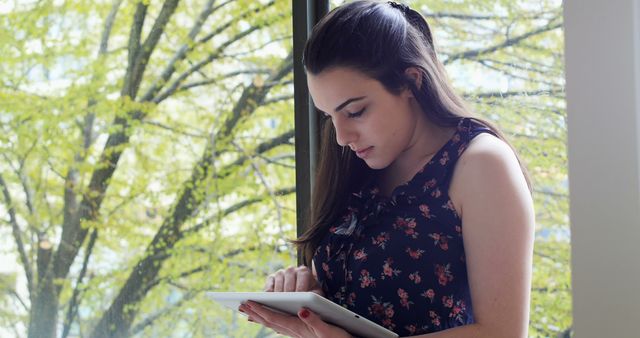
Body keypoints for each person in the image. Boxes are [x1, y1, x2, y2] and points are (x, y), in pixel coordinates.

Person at [238, 1, 535, 337]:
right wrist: (309, 295)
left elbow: (503, 333)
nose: (341, 137)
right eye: (328, 117)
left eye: (355, 111)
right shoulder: (359, 165)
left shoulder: (481, 164)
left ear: (410, 82)